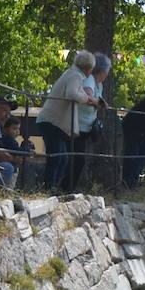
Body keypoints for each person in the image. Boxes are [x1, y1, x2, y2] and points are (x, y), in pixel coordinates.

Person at [37, 50, 96, 191]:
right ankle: (48, 188)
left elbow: (77, 92)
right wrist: (87, 99)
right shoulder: (75, 75)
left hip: (54, 122)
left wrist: (87, 98)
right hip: (52, 121)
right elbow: (71, 93)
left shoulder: (72, 74)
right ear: (88, 68)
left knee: (62, 158)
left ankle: (53, 188)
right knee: (57, 157)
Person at [69, 52, 110, 191]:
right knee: (76, 159)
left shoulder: (99, 84)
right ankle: (66, 188)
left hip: (87, 126)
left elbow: (98, 100)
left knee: (79, 159)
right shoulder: (90, 80)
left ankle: (69, 187)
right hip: (78, 125)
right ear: (103, 70)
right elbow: (88, 96)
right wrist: (99, 104)